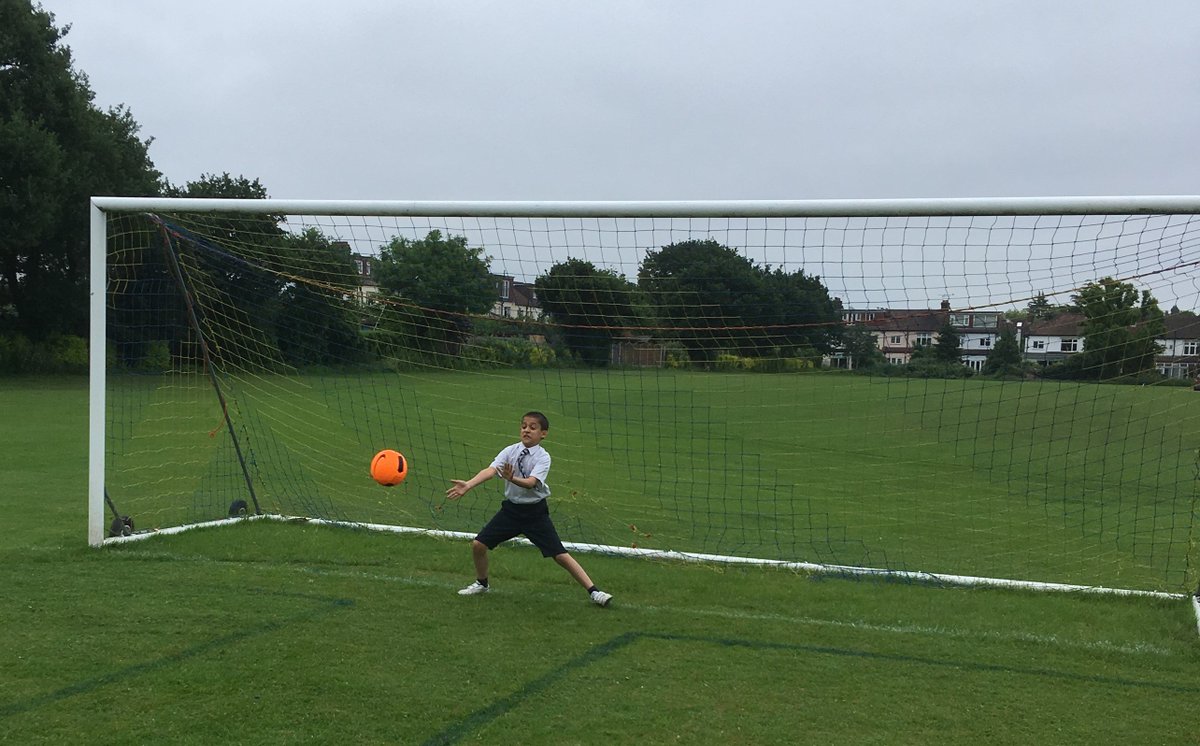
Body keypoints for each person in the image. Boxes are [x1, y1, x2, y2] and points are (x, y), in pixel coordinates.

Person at [445, 411, 613, 607]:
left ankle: (594, 592)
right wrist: (468, 485)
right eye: (524, 426)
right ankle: (482, 584)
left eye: (533, 428)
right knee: (478, 545)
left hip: (535, 514)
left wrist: (512, 478)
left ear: (543, 434)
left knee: (559, 554)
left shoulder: (543, 457)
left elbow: (531, 483)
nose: (526, 430)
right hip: (511, 512)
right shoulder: (510, 451)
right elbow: (490, 470)